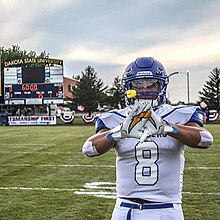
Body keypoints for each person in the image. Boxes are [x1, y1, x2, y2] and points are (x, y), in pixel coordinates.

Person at [82, 57, 213, 220]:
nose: (144, 90)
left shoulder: (178, 114)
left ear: (161, 86)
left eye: (151, 84)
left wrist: (168, 127)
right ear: (128, 87)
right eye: (138, 85)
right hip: (125, 209)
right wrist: (119, 131)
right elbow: (89, 149)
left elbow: (205, 140)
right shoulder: (116, 118)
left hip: (167, 208)